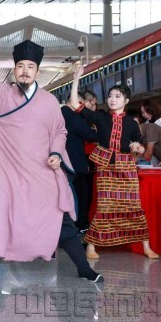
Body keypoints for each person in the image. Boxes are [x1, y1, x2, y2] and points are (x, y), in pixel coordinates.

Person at [0, 33, 102, 283]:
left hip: (40, 172)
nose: (25, 71)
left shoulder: (49, 102)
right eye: (21, 66)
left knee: (59, 219)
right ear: (14, 69)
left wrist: (56, 153)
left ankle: (83, 268)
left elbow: (59, 132)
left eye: (30, 67)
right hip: (5, 172)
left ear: (37, 71)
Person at [70, 66, 159, 260]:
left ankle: (146, 246)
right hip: (106, 166)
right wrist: (76, 79)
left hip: (127, 168)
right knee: (104, 206)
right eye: (110, 95)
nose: (112, 99)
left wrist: (137, 148)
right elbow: (75, 104)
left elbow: (140, 146)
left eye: (117, 96)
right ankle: (91, 245)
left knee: (133, 206)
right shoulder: (100, 117)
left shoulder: (132, 123)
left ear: (126, 101)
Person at [61, 92, 98, 232]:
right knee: (80, 195)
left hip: (64, 161)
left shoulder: (59, 113)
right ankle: (79, 225)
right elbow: (89, 134)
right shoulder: (72, 116)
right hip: (75, 162)